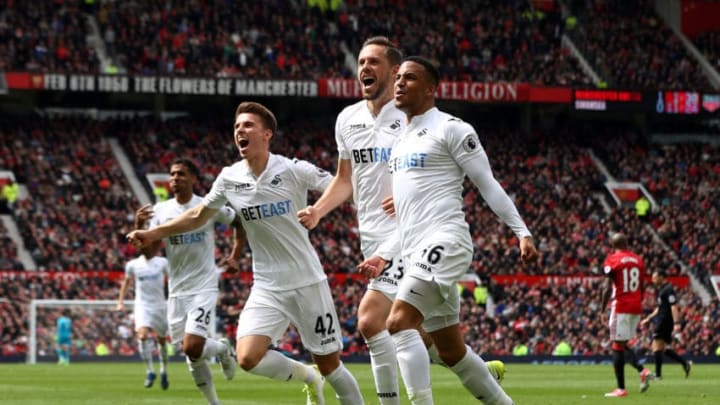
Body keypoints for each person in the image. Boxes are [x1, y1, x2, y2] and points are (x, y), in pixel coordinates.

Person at [298, 36, 504, 405]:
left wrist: (410, 191)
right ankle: (476, 371)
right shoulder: (347, 119)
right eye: (361, 61)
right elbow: (345, 180)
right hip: (372, 237)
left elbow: (437, 164)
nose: (364, 68)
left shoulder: (409, 115)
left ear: (395, 71)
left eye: (374, 62)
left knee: (371, 320)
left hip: (411, 235)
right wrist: (318, 210)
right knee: (432, 341)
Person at [128, 102, 364, 405]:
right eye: (237, 126)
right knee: (248, 357)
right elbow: (198, 215)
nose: (240, 130)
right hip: (267, 286)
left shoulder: (292, 169)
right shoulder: (229, 177)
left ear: (267, 134)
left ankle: (329, 382)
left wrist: (319, 210)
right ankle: (308, 377)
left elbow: (344, 185)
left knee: (331, 366)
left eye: (248, 125)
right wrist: (152, 233)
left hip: (307, 282)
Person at [361, 56, 537, 405]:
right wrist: (385, 252)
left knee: (398, 322)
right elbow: (409, 215)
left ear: (430, 89)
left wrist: (522, 231)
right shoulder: (400, 143)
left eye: (410, 78)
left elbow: (487, 183)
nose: (399, 83)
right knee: (451, 351)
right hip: (415, 252)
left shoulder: (452, 128)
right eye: (398, 78)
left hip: (446, 241)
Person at [130, 158, 239, 405]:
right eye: (172, 175)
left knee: (192, 346)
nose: (175, 178)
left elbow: (238, 222)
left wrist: (235, 255)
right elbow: (150, 253)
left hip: (204, 285)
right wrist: (140, 229)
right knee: (192, 354)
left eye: (180, 174)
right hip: (177, 290)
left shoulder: (208, 205)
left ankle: (222, 350)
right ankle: (217, 387)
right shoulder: (160, 211)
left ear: (192, 179)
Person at [600, 232, 654, 397]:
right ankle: (642, 370)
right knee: (621, 344)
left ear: (612, 245)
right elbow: (643, 286)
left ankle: (621, 389)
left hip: (621, 306)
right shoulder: (638, 260)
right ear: (627, 244)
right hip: (636, 306)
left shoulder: (612, 259)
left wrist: (602, 308)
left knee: (617, 347)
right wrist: (638, 301)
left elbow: (607, 287)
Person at [117, 242, 171, 390]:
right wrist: (120, 301)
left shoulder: (162, 262)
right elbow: (126, 282)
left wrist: (175, 298)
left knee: (161, 340)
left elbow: (172, 280)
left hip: (159, 306)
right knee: (142, 336)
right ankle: (150, 371)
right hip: (142, 305)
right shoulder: (133, 265)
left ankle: (164, 370)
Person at [640, 270, 692, 380]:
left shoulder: (668, 289)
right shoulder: (662, 290)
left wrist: (677, 323)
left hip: (665, 321)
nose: (652, 279)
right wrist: (649, 318)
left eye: (655, 277)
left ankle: (658, 375)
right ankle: (684, 363)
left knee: (655, 346)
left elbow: (674, 306)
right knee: (662, 349)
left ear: (661, 277)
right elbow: (659, 308)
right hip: (663, 320)